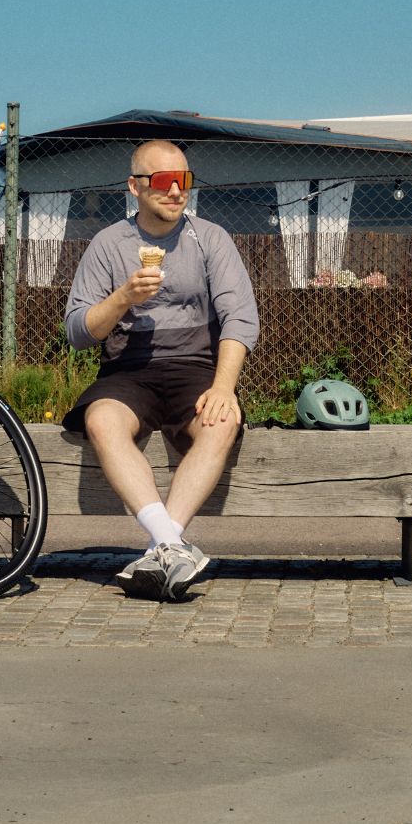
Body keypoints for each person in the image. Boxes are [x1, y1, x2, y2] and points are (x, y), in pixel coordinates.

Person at [62, 139, 259, 600]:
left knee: (222, 420)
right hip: (128, 369)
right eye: (164, 181)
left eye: (184, 180)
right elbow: (77, 330)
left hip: (196, 366)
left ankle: (162, 546)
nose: (176, 191)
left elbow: (240, 318)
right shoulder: (109, 244)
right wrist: (123, 298)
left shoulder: (210, 238)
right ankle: (172, 544)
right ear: (134, 187)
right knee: (101, 419)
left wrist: (224, 387)